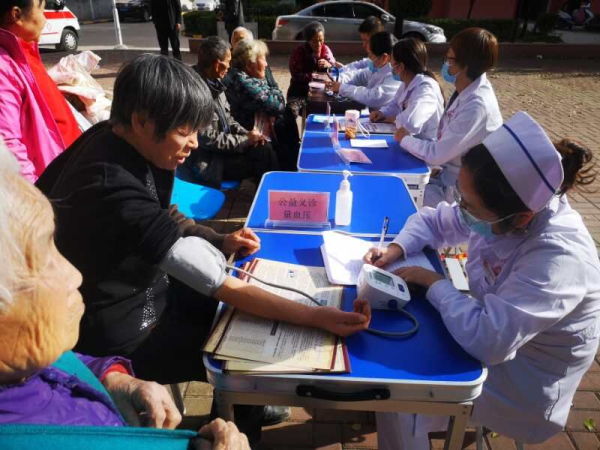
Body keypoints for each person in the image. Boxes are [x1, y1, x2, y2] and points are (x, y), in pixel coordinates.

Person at [35, 53, 370, 414]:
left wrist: (218, 239)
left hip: (150, 287)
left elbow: (160, 211)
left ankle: (248, 408)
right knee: (241, 357)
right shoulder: (110, 185)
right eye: (184, 131)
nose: (194, 143)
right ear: (141, 121)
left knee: (242, 317)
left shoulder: (119, 137)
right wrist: (315, 316)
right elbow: (218, 282)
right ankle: (235, 421)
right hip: (119, 329)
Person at [365, 112, 600, 448]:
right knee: (396, 377)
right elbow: (435, 221)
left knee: (400, 392)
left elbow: (488, 340)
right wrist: (397, 248)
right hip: (498, 340)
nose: (461, 209)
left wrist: (433, 283)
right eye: (461, 197)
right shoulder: (503, 208)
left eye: (469, 205)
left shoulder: (558, 260)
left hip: (524, 382)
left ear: (522, 218)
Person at [0, 140, 249, 450]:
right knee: (234, 353)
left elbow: (56, 369)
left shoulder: (21, 365)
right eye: (43, 257)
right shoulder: (109, 177)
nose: (73, 274)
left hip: (148, 304)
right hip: (132, 324)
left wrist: (111, 376)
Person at [394, 27, 502, 207]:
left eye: (450, 60)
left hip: (462, 194)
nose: (446, 65)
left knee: (398, 198)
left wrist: (404, 138)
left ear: (465, 65)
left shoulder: (477, 106)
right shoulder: (466, 91)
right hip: (448, 174)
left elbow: (436, 153)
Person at [0, 0, 81, 182]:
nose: (45, 19)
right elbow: (7, 145)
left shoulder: (23, 51)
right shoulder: (3, 66)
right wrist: (35, 193)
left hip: (71, 168)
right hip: (54, 183)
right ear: (16, 14)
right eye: (42, 10)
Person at [185, 36, 278, 187]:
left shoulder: (215, 82)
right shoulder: (194, 92)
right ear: (217, 64)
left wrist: (249, 135)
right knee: (262, 157)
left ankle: (271, 192)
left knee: (263, 146)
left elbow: (228, 119)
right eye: (228, 62)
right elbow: (206, 138)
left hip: (224, 151)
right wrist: (245, 141)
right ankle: (270, 193)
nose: (230, 66)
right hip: (210, 162)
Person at [224, 38, 300, 170]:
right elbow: (277, 105)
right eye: (263, 59)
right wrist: (274, 90)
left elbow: (275, 97)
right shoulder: (242, 81)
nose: (266, 64)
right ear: (250, 63)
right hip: (247, 135)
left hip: (257, 130)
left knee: (287, 120)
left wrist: (272, 90)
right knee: (286, 123)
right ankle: (286, 173)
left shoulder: (247, 77)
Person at [369, 38, 444, 141]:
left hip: (425, 144)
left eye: (392, 63)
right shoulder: (406, 83)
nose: (390, 67)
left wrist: (390, 119)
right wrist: (382, 113)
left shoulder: (426, 89)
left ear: (401, 66)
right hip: (409, 141)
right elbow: (395, 104)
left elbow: (412, 122)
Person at [326, 32, 400, 110]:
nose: (369, 59)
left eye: (371, 55)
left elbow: (374, 97)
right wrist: (336, 79)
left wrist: (342, 88)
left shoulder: (395, 75)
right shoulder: (377, 67)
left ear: (384, 57)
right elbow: (358, 76)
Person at [287, 21, 336, 99]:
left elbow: (335, 73)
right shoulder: (299, 52)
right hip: (299, 93)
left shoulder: (326, 50)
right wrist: (315, 76)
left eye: (321, 40)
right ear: (308, 40)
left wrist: (329, 65)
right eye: (315, 41)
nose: (319, 44)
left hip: (320, 93)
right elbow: (296, 75)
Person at [337, 16, 385, 82]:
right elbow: (359, 66)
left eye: (366, 41)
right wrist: (342, 69)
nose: (364, 45)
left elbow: (358, 75)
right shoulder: (373, 59)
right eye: (363, 40)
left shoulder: (388, 67)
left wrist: (338, 78)